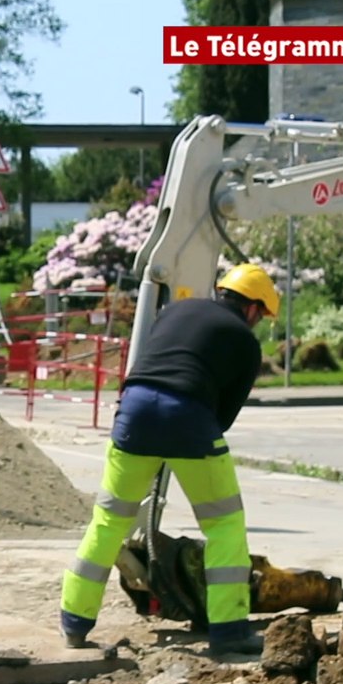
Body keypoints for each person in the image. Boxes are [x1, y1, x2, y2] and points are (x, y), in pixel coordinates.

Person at [58, 263, 280, 657]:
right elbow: (224, 417)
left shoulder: (175, 311)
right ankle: (229, 632)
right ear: (252, 307)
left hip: (134, 410)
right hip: (189, 417)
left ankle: (75, 623)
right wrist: (186, 445)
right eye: (260, 315)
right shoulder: (244, 342)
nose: (257, 322)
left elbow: (150, 362)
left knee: (108, 520)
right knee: (224, 525)